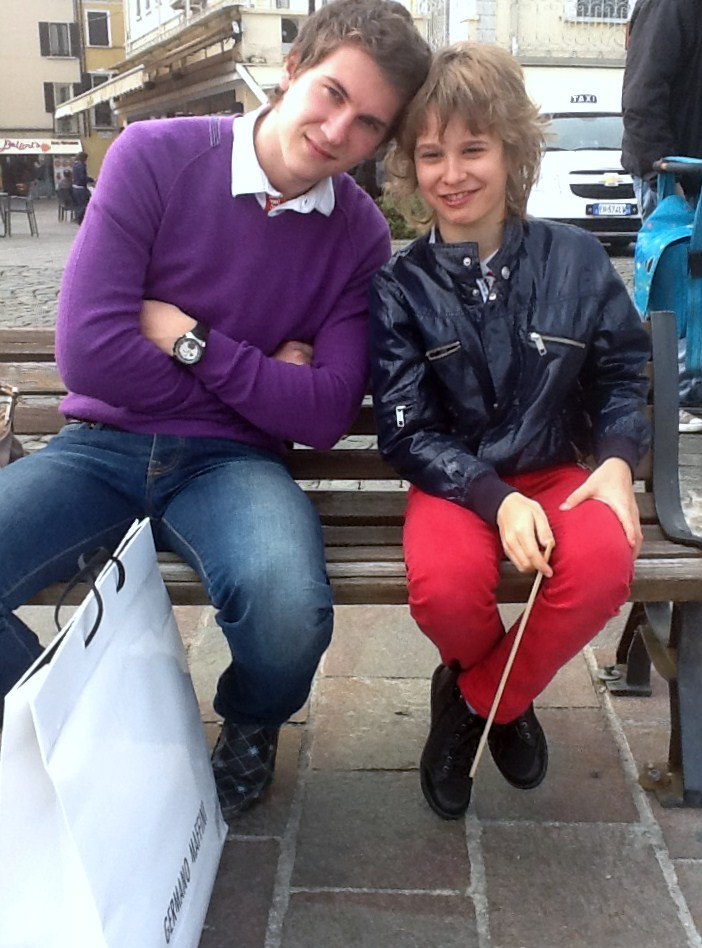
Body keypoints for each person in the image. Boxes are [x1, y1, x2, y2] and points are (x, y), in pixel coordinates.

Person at [0, 0, 431, 818]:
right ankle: (86, 735)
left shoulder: (359, 236)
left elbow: (325, 414)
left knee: (288, 611)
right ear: (292, 69)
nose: (339, 131)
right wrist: (263, 386)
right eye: (333, 94)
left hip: (234, 468)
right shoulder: (153, 157)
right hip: (102, 445)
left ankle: (251, 724)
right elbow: (88, 353)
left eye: (370, 123)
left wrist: (189, 339)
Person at [368, 42, 651, 820]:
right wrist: (494, 499)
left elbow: (623, 372)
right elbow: (405, 430)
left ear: (513, 150)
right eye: (432, 154)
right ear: (410, 166)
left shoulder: (577, 258)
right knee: (445, 587)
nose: (452, 173)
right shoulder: (400, 288)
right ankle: (506, 699)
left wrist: (618, 460)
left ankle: (477, 703)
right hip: (456, 481)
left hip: (560, 469)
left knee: (603, 562)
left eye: (474, 149)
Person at [621, 0, 702, 433]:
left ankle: (685, 391)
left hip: (684, 170)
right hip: (675, 176)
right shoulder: (673, 5)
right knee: (677, 281)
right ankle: (676, 396)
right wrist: (666, 173)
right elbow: (642, 95)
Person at [71, 151, 91, 224]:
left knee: (79, 204)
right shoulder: (81, 166)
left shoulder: (75, 165)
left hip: (75, 187)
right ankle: (80, 218)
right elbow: (82, 177)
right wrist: (90, 180)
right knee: (84, 203)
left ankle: (77, 217)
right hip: (81, 188)